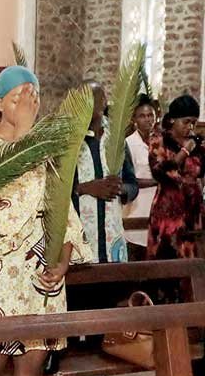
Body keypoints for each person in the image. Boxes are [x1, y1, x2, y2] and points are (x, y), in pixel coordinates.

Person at [0, 66, 90, 376]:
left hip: (41, 269)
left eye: (32, 96)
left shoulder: (49, 149)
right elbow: (3, 200)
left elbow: (63, 207)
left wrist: (63, 260)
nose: (25, 104)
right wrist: (23, 133)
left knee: (33, 363)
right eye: (17, 97)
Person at [72, 80, 138, 263]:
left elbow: (133, 185)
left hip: (112, 236)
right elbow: (55, 190)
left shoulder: (116, 139)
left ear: (103, 102)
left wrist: (120, 189)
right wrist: (84, 188)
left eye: (92, 98)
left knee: (114, 290)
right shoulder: (69, 142)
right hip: (79, 238)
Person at [147, 94, 205, 260]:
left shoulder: (197, 145)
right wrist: (185, 151)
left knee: (192, 271)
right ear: (172, 120)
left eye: (193, 122)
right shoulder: (159, 141)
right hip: (167, 216)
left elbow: (200, 173)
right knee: (166, 268)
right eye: (186, 122)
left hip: (192, 216)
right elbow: (161, 172)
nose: (191, 127)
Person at [124, 94, 160, 247]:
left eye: (150, 115)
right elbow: (129, 180)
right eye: (142, 116)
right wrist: (158, 180)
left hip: (158, 209)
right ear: (134, 120)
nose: (147, 119)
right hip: (137, 210)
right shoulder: (129, 143)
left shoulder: (161, 142)